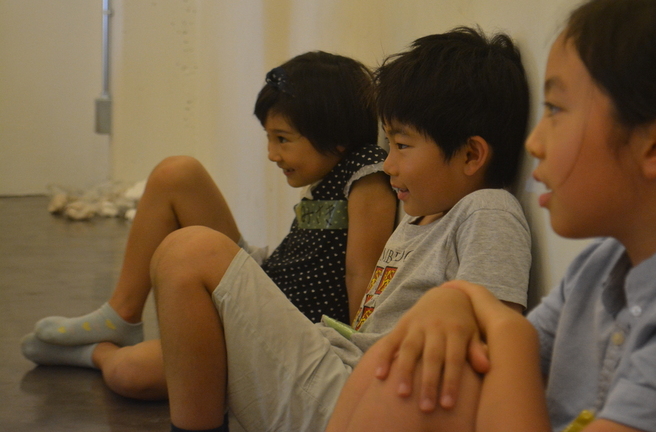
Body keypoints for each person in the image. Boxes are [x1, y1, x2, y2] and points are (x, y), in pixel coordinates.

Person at [328, 0, 656, 432]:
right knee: (398, 370)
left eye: (555, 110)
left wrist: (497, 325)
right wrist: (452, 302)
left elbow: (504, 353)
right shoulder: (601, 268)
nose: (534, 142)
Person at [149, 26, 533, 432]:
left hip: (359, 396)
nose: (389, 164)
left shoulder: (488, 210)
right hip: (344, 371)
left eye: (402, 146)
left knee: (191, 252)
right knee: (143, 359)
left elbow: (496, 343)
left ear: (471, 155)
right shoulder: (420, 217)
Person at [21, 51, 398, 401]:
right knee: (176, 173)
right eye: (269, 138)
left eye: (282, 139)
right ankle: (120, 316)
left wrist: (356, 359)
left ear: (336, 137)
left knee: (131, 373)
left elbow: (362, 273)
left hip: (277, 332)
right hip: (265, 283)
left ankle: (97, 353)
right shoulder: (333, 171)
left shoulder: (365, 173)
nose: (272, 154)